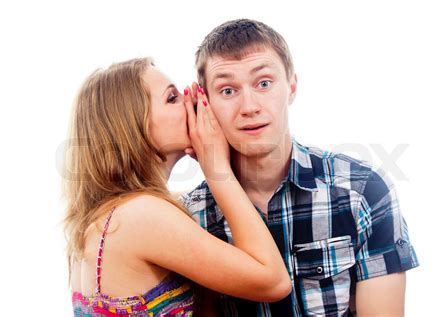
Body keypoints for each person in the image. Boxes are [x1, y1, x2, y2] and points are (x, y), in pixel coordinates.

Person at [182, 19, 419, 316]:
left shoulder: (362, 191)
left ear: (292, 87)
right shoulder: (191, 217)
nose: (249, 106)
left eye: (264, 83)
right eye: (228, 91)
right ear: (204, 103)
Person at [63, 57, 291, 316]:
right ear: (133, 125)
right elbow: (273, 281)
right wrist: (216, 166)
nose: (190, 101)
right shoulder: (142, 216)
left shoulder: (112, 216)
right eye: (172, 98)